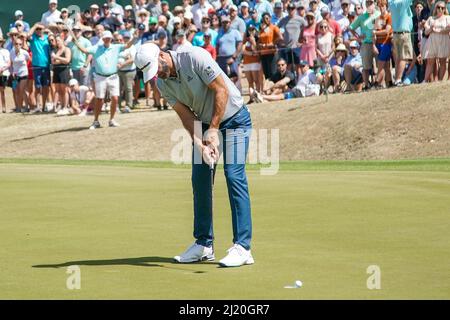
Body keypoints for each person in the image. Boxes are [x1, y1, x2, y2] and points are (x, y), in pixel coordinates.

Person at [135, 43, 254, 267]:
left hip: (236, 118)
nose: (158, 74)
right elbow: (186, 115)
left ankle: (243, 247)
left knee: (234, 175)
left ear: (162, 55)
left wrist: (213, 130)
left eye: (157, 68)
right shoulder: (163, 83)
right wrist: (199, 143)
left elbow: (221, 90)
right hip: (207, 124)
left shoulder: (195, 57)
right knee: (200, 179)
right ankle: (204, 245)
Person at [70, 30, 135, 129]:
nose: (107, 40)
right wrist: (76, 43)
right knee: (99, 99)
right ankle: (96, 121)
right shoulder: (96, 48)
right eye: (105, 38)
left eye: (109, 38)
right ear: (103, 39)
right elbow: (84, 50)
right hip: (100, 77)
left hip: (113, 76)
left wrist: (134, 37)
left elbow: (127, 45)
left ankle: (112, 120)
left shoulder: (116, 47)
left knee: (115, 98)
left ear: (111, 39)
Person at [252, 60, 320, 102]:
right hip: (296, 91)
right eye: (300, 66)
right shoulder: (301, 74)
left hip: (297, 92)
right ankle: (263, 97)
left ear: (308, 66)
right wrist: (265, 87)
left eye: (303, 66)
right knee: (280, 94)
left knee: (282, 90)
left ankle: (262, 97)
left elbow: (319, 80)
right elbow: (269, 80)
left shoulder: (310, 73)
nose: (301, 68)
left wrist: (318, 72)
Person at [349, 0, 380, 89]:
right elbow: (351, 28)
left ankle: (379, 83)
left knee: (379, 64)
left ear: (374, 4)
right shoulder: (362, 17)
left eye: (371, 3)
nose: (369, 5)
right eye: (367, 3)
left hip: (378, 42)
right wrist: (358, 37)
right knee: (366, 66)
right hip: (366, 43)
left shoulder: (378, 14)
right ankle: (366, 85)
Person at [389, 0, 414, 86]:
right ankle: (398, 80)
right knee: (403, 57)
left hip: (396, 34)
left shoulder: (391, 3)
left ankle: (396, 79)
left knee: (398, 58)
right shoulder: (403, 2)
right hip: (403, 34)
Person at [422, 2, 450, 81]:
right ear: (436, 8)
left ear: (445, 9)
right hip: (432, 41)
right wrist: (431, 28)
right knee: (430, 61)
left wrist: (437, 31)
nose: (440, 9)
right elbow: (426, 32)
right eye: (438, 7)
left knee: (442, 61)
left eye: (442, 8)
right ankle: (425, 80)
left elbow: (448, 29)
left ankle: (440, 81)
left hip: (443, 41)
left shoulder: (448, 18)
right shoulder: (431, 18)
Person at [28, 23, 52, 113]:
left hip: (46, 66)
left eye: (40, 29)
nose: (38, 30)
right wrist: (34, 26)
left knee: (46, 86)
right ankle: (38, 105)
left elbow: (53, 39)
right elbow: (28, 35)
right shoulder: (33, 37)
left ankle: (45, 105)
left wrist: (48, 31)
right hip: (36, 66)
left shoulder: (47, 38)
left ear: (43, 29)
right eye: (37, 29)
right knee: (38, 87)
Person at [278, 3, 306, 73]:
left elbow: (307, 29)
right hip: (287, 46)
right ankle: (290, 81)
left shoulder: (300, 19)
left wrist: (302, 41)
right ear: (287, 10)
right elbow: (276, 28)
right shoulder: (284, 19)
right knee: (288, 65)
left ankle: (299, 81)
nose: (291, 10)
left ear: (295, 9)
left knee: (298, 65)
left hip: (297, 46)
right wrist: (281, 38)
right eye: (289, 9)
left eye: (292, 8)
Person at [216, 15, 243, 83]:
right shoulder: (219, 33)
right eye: (223, 23)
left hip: (231, 57)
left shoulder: (235, 32)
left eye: (227, 22)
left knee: (234, 76)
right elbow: (217, 45)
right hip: (221, 58)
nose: (225, 24)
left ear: (230, 23)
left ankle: (236, 92)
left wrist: (234, 56)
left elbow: (240, 44)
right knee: (224, 78)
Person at [373, 0, 393, 88]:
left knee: (380, 64)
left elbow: (387, 31)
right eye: (379, 6)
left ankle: (377, 83)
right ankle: (390, 83)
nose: (381, 8)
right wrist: (373, 45)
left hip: (386, 43)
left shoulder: (389, 17)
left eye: (383, 6)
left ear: (386, 6)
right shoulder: (377, 18)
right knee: (386, 65)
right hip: (378, 43)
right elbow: (374, 33)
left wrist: (376, 33)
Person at [258, 13, 283, 80]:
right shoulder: (262, 29)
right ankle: (268, 88)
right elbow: (259, 39)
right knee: (266, 74)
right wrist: (260, 44)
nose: (265, 20)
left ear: (270, 18)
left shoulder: (274, 27)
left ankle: (274, 88)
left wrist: (273, 43)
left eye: (267, 18)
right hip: (263, 53)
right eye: (264, 19)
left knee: (273, 72)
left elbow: (280, 37)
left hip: (271, 53)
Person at [51, 35, 72, 114]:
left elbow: (67, 60)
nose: (57, 42)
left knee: (65, 90)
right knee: (58, 90)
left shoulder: (67, 49)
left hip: (64, 70)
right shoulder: (55, 50)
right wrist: (60, 60)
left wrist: (57, 57)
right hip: (56, 70)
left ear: (62, 41)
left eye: (59, 40)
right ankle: (62, 106)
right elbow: (53, 61)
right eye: (56, 41)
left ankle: (66, 107)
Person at [242, 24, 263, 101]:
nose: (251, 31)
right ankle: (251, 97)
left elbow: (256, 51)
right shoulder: (245, 40)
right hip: (246, 62)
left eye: (252, 30)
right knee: (250, 81)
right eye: (249, 30)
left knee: (256, 80)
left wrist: (253, 41)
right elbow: (243, 50)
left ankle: (258, 95)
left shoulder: (258, 39)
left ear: (255, 30)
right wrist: (250, 53)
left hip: (255, 62)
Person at [10, 38, 30, 112]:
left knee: (22, 90)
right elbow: (11, 63)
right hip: (15, 75)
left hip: (24, 74)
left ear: (21, 45)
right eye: (16, 44)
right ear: (14, 44)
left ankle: (25, 107)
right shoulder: (11, 52)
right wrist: (12, 72)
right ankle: (19, 107)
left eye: (20, 44)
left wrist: (25, 66)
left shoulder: (24, 52)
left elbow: (29, 60)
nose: (18, 45)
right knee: (16, 91)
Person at [0, 38, 11, 113]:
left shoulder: (5, 51)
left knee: (2, 90)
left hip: (3, 73)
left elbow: (9, 63)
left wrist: (2, 69)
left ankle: (4, 107)